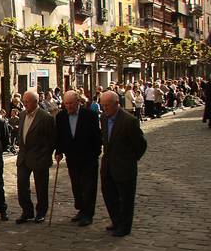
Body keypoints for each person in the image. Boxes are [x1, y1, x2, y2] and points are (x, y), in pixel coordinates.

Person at [99, 91, 147, 237]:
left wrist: (130, 160)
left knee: (126, 199)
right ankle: (116, 221)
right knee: (109, 196)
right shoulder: (104, 118)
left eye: (107, 105)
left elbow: (141, 145)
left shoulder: (129, 121)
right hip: (108, 166)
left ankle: (124, 226)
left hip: (125, 167)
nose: (105, 108)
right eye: (103, 105)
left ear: (116, 104)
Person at [54, 91, 102, 227]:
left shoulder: (90, 115)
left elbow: (97, 136)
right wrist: (58, 151)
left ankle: (88, 214)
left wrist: (96, 153)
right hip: (72, 157)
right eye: (66, 103)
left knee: (89, 186)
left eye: (71, 103)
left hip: (88, 157)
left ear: (78, 102)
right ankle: (81, 209)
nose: (68, 106)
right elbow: (60, 136)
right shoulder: (61, 116)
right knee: (76, 185)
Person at [15, 91, 56, 224]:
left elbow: (52, 140)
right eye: (24, 101)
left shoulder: (45, 118)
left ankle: (41, 212)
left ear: (35, 102)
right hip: (23, 157)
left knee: (41, 187)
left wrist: (46, 154)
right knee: (22, 185)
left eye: (27, 101)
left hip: (39, 157)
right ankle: (27, 211)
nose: (24, 103)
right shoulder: (22, 115)